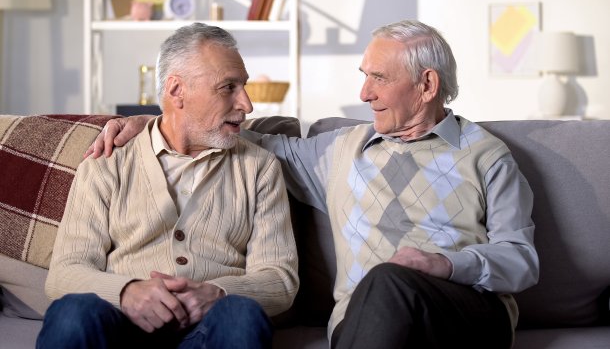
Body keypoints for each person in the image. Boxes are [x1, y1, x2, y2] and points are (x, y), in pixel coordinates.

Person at [87, 20, 539, 348]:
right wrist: (156, 121)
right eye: (364, 77)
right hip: (365, 323)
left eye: (378, 78)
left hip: (466, 316)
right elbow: (223, 129)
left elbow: (521, 260)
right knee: (382, 288)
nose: (364, 93)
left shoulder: (486, 155)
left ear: (426, 84)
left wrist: (445, 265)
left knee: (389, 281)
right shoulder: (340, 151)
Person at [38, 23, 299, 349]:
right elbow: (64, 273)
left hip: (208, 329)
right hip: (119, 326)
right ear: (177, 91)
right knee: (72, 313)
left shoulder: (259, 168)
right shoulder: (106, 162)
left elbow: (280, 278)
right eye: (228, 87)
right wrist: (126, 292)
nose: (247, 104)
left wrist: (218, 293)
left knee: (240, 315)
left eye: (243, 86)